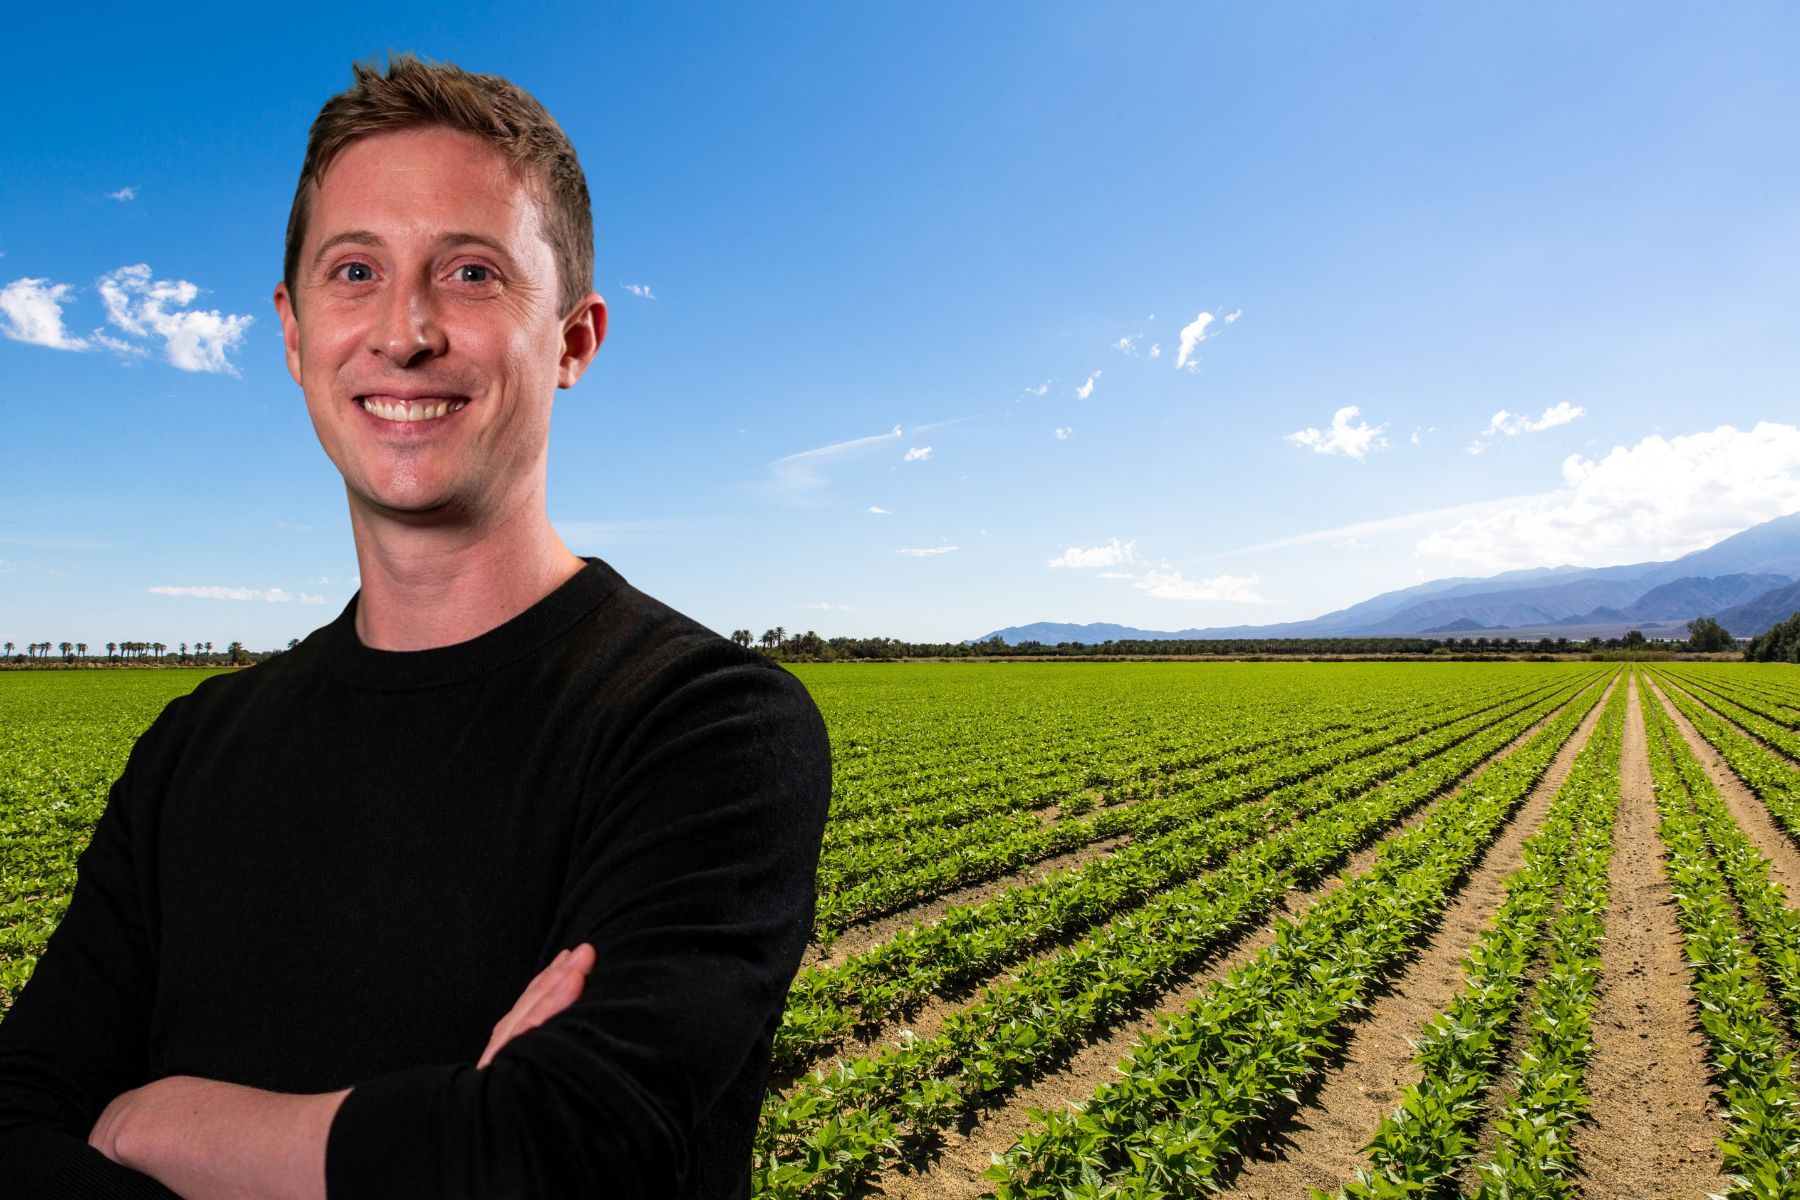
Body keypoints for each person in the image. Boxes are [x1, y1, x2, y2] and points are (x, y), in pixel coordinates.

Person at [0, 52, 833, 1199]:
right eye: (356, 271)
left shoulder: (707, 728)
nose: (405, 331)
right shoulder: (191, 752)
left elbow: (557, 1152)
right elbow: (16, 1117)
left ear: (574, 341)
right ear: (294, 332)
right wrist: (436, 1139)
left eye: (472, 273)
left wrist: (163, 1126)